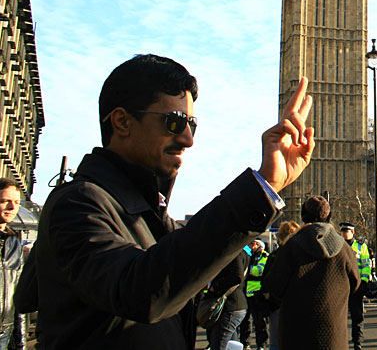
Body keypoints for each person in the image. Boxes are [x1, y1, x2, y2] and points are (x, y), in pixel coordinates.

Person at [23, 54, 316, 349]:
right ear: (122, 122)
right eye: (174, 122)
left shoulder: (147, 210)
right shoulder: (78, 205)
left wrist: (270, 182)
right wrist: (260, 187)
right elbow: (142, 291)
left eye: (192, 124)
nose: (188, 139)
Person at [262, 196, 360, 349]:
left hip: (296, 334)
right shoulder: (344, 249)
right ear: (329, 216)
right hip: (333, 335)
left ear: (303, 216)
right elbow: (355, 284)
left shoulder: (292, 246)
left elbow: (274, 285)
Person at [205, 247, 249, 350]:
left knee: (220, 345)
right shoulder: (241, 252)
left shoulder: (235, 253)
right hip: (233, 304)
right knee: (231, 346)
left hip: (230, 305)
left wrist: (215, 287)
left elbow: (237, 277)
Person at [267, 221, 301, 350]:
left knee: (276, 342)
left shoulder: (275, 256)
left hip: (277, 304)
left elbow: (268, 281)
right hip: (295, 304)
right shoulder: (301, 256)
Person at [0, 178, 25, 350]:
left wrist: (20, 342)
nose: (12, 207)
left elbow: (18, 296)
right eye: (5, 201)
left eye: (16, 202)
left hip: (4, 333)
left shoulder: (14, 244)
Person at [340, 222, 371, 349]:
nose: (343, 233)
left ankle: (357, 341)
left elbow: (366, 265)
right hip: (342, 285)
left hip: (356, 286)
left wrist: (364, 281)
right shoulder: (338, 245)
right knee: (339, 316)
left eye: (346, 231)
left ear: (352, 232)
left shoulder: (361, 246)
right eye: (342, 231)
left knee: (357, 316)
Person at [240, 238, 270, 350]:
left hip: (258, 292)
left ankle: (261, 344)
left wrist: (247, 268)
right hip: (246, 291)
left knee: (259, 321)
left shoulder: (264, 256)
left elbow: (259, 270)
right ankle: (245, 343)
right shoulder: (248, 254)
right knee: (245, 321)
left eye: (254, 243)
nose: (252, 246)